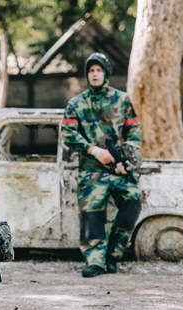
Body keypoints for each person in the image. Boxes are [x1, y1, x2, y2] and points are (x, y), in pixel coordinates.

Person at [61, 52, 143, 278]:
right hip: (91, 169)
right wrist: (94, 150)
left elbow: (134, 132)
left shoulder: (122, 99)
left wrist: (126, 160)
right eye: (91, 71)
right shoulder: (76, 103)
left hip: (119, 169)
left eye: (99, 70)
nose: (95, 74)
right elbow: (68, 134)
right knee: (92, 213)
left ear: (106, 74)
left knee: (133, 201)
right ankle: (95, 261)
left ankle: (112, 254)